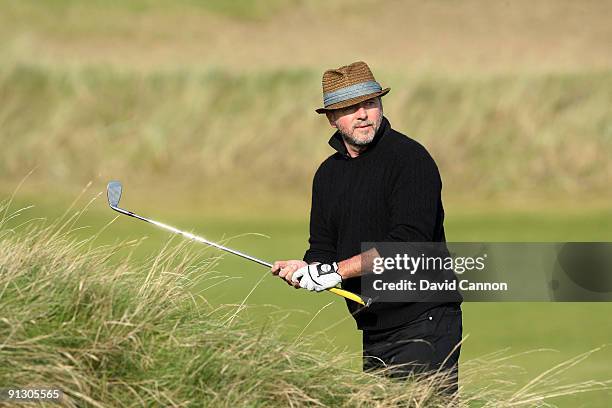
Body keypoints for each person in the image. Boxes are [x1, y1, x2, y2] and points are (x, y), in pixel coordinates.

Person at [271, 61, 463, 394]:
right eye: (350, 108)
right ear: (332, 118)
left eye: (370, 103)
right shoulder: (328, 176)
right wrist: (308, 268)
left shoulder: (410, 160)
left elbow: (408, 244)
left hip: (425, 321)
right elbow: (323, 248)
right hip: (374, 327)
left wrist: (336, 271)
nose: (363, 114)